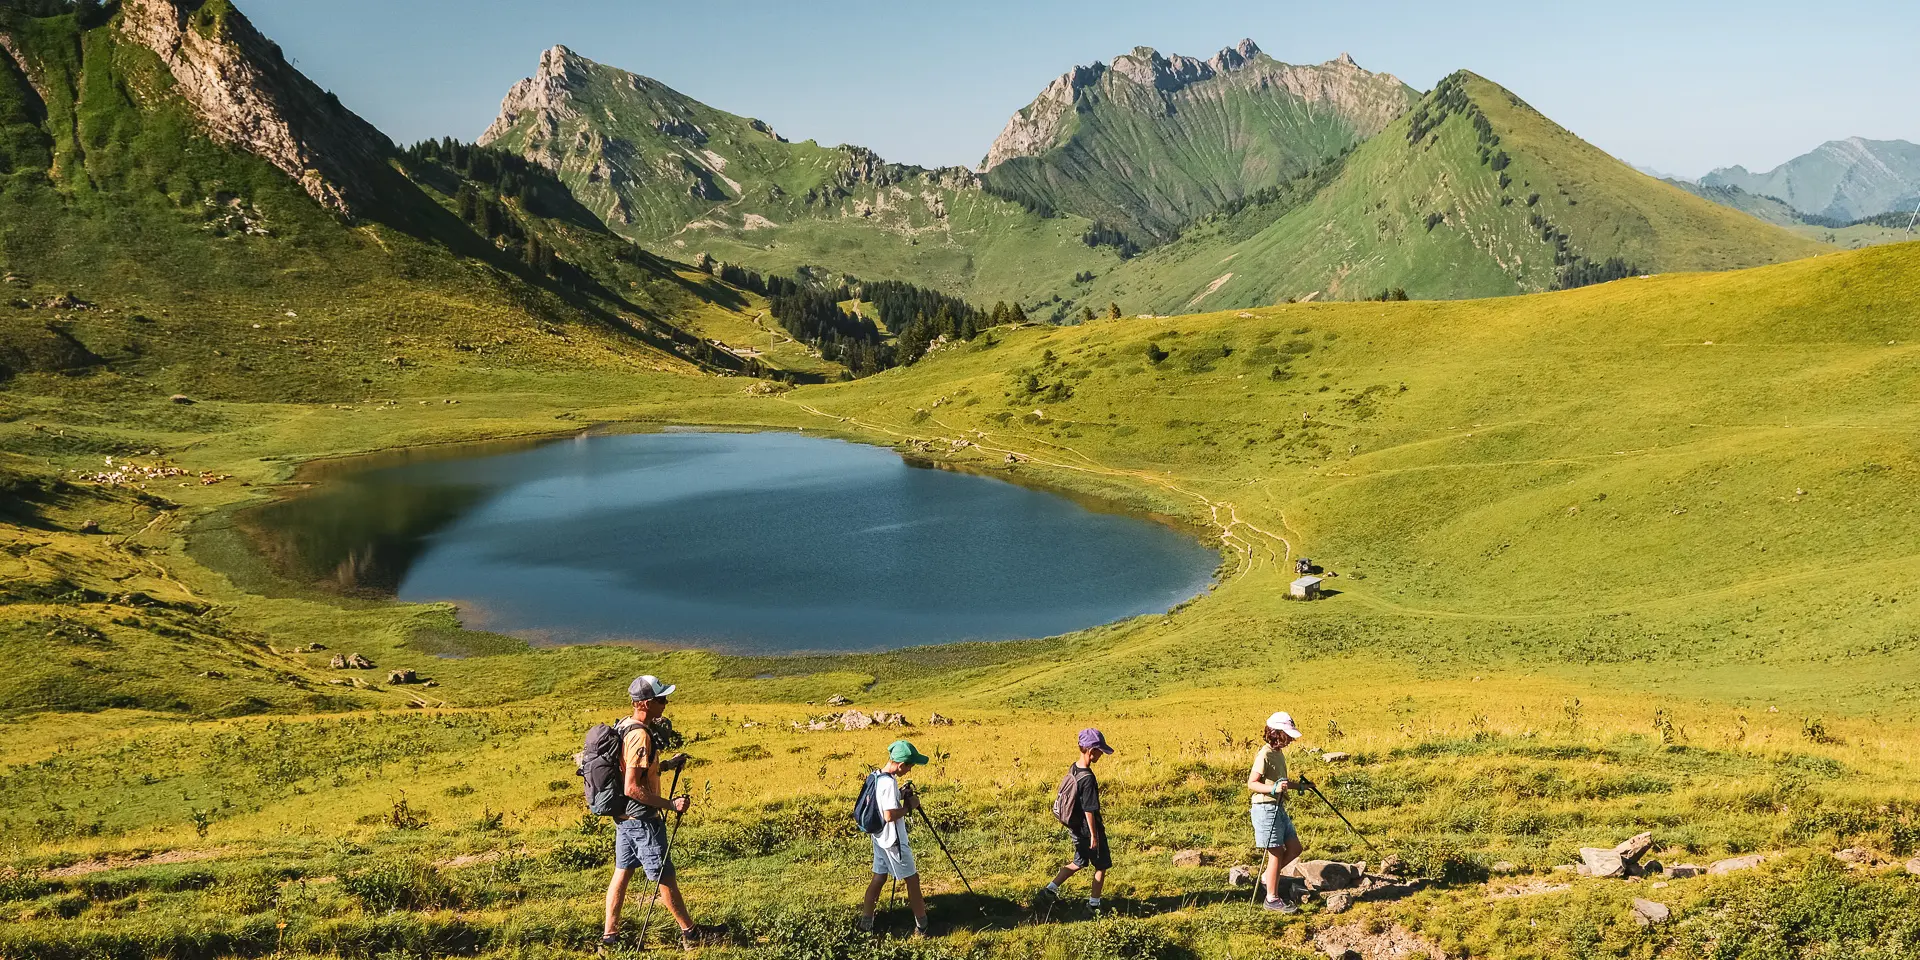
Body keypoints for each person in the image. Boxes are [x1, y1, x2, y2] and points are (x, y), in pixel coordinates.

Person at [602, 675, 702, 952]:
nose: (665, 703)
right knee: (663, 875)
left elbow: (632, 770)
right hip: (642, 821)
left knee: (621, 873)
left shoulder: (625, 725)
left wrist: (667, 764)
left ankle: (610, 937)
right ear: (645, 703)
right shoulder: (639, 735)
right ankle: (691, 935)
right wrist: (671, 804)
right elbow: (632, 787)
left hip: (625, 818)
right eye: (660, 699)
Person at [1035, 728, 1115, 912]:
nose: (1101, 755)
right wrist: (1094, 836)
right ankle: (1093, 905)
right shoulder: (1088, 778)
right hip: (1088, 830)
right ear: (1090, 750)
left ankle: (1049, 890)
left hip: (1075, 827)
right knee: (1102, 866)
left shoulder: (1074, 767)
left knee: (1079, 862)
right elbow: (1089, 809)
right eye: (1100, 751)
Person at [859, 739, 932, 937]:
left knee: (879, 877)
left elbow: (882, 802)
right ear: (901, 765)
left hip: (879, 838)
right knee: (913, 880)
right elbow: (889, 815)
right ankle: (922, 927)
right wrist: (910, 806)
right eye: (910, 766)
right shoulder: (890, 782)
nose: (910, 770)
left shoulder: (877, 776)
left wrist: (900, 795)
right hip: (894, 842)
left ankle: (866, 924)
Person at [1249, 711, 1306, 914]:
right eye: (1287, 735)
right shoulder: (1264, 754)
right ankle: (1271, 899)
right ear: (1275, 733)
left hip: (1278, 807)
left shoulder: (1279, 754)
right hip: (1265, 808)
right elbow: (1252, 783)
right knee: (1276, 853)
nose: (1290, 739)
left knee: (1295, 848)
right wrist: (1272, 790)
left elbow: (1280, 783)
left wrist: (1300, 786)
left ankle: (1268, 878)